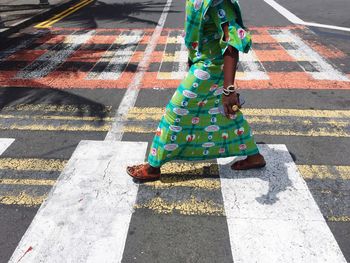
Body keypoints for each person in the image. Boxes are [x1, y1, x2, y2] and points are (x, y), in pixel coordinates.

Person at [127, 0, 266, 180]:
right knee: (227, 113)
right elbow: (200, 30)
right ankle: (254, 156)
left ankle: (153, 166)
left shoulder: (218, 3)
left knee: (175, 110)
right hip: (203, 63)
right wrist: (193, 57)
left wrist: (229, 89)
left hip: (211, 67)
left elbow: (231, 42)